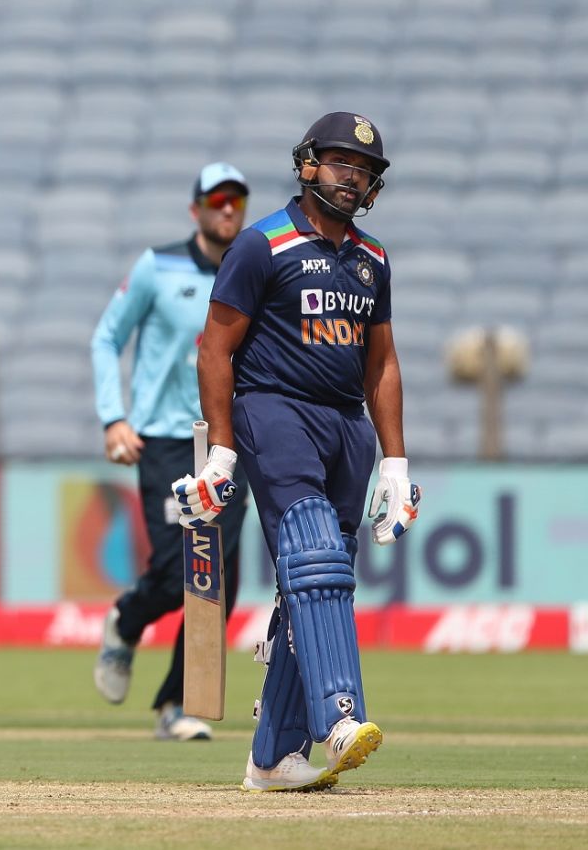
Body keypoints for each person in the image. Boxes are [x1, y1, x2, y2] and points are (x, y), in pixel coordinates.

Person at [173, 112, 421, 792]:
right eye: (341, 163)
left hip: (347, 426)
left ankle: (274, 756)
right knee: (312, 549)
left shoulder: (372, 259)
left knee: (317, 580)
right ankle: (341, 716)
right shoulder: (263, 245)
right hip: (273, 407)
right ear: (308, 165)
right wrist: (221, 452)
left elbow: (382, 363)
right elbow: (215, 350)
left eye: (365, 170)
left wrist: (396, 464)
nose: (354, 177)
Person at [90, 162, 252, 741]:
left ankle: (177, 707)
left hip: (229, 441)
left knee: (220, 575)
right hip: (164, 437)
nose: (227, 208)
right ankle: (126, 622)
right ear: (196, 210)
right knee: (178, 569)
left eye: (236, 199)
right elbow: (108, 337)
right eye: (216, 200)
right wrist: (114, 418)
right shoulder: (158, 267)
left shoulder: (257, 269)